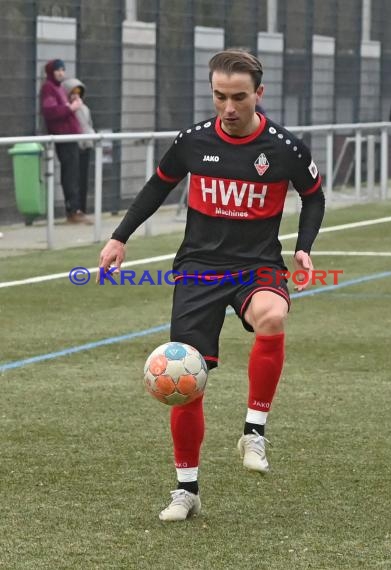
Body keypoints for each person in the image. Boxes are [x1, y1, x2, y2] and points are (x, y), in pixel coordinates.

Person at [98, 49, 325, 522]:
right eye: (220, 96)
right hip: (199, 268)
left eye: (239, 97)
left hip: (257, 265)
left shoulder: (284, 148)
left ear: (258, 94)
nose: (228, 107)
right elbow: (157, 186)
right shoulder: (192, 142)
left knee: (273, 315)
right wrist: (120, 237)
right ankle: (187, 491)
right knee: (186, 380)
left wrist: (303, 246)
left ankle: (254, 431)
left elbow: (313, 196)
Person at [40, 59, 91, 224]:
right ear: (51, 72)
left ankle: (75, 209)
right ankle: (73, 210)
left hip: (71, 136)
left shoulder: (58, 87)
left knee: (74, 173)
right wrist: (70, 108)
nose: (61, 73)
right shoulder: (49, 87)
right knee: (70, 174)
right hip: (63, 136)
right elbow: (50, 111)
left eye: (63, 69)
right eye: (58, 70)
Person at [62, 78, 96, 214]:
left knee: (83, 179)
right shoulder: (68, 109)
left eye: (78, 92)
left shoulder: (85, 109)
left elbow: (88, 125)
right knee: (73, 179)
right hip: (75, 147)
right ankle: (74, 209)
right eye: (72, 93)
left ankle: (82, 208)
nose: (76, 95)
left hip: (86, 146)